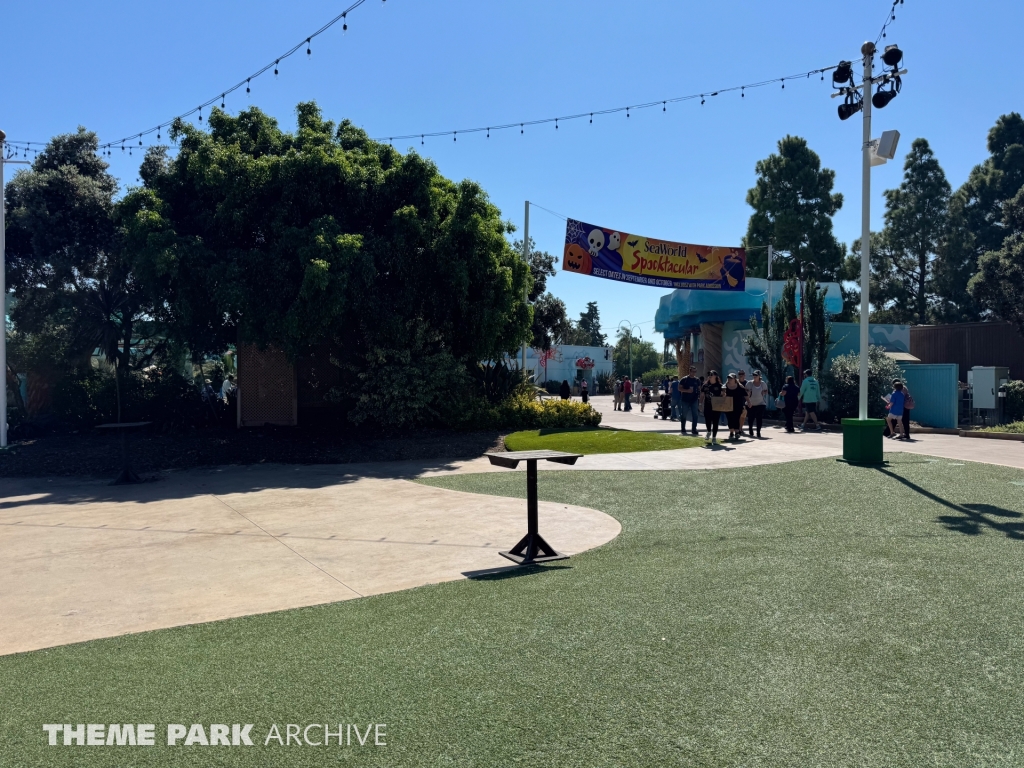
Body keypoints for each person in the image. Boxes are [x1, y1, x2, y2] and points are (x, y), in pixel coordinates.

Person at [701, 371, 724, 445]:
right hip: (707, 405)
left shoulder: (720, 386)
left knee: (715, 422)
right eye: (709, 375)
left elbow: (723, 396)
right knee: (707, 420)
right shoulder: (705, 385)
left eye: (711, 374)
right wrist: (700, 403)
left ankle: (714, 438)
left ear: (715, 376)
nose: (709, 376)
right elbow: (702, 395)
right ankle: (708, 431)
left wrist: (724, 394)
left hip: (716, 406)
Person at [745, 369, 769, 438]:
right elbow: (745, 392)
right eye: (753, 375)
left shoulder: (763, 384)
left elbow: (766, 391)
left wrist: (764, 392)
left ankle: (758, 431)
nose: (754, 376)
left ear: (759, 376)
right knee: (751, 418)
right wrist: (748, 392)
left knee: (759, 418)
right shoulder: (749, 383)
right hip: (751, 403)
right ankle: (750, 429)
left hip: (760, 403)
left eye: (756, 375)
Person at [679, 366, 701, 436]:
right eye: (693, 371)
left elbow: (699, 388)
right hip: (685, 400)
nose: (694, 373)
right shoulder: (684, 379)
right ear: (690, 371)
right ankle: (683, 428)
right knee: (684, 415)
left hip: (694, 400)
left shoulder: (697, 380)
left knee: (695, 415)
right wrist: (687, 390)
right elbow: (679, 388)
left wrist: (699, 395)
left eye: (695, 371)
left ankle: (694, 429)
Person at [724, 373, 747, 441]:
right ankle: (731, 431)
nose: (729, 379)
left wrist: (748, 402)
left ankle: (737, 432)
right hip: (728, 405)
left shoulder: (740, 387)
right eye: (728, 378)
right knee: (730, 418)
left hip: (738, 405)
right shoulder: (724, 386)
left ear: (734, 379)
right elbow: (720, 395)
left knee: (737, 418)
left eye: (731, 378)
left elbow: (745, 395)